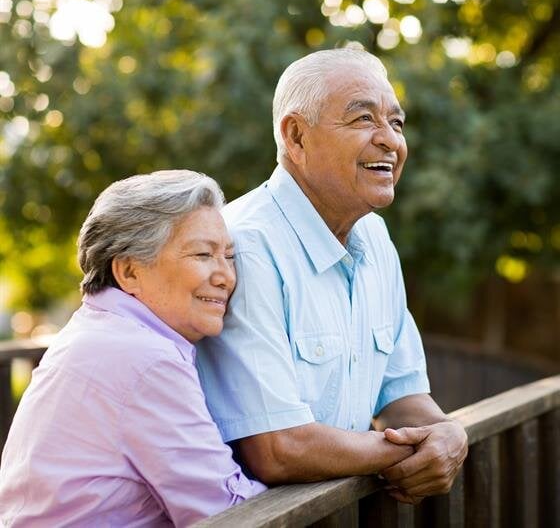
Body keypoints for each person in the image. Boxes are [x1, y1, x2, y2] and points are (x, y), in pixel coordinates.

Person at [196, 48, 468, 504]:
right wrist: (404, 452)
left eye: (397, 123)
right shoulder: (245, 244)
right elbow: (277, 448)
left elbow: (401, 396)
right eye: (364, 120)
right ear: (297, 136)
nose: (390, 141)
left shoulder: (376, 238)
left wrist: (447, 434)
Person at [0, 170, 266, 526]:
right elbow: (226, 511)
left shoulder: (105, 330)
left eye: (229, 256)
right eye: (203, 254)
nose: (226, 276)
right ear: (129, 272)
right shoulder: (143, 357)